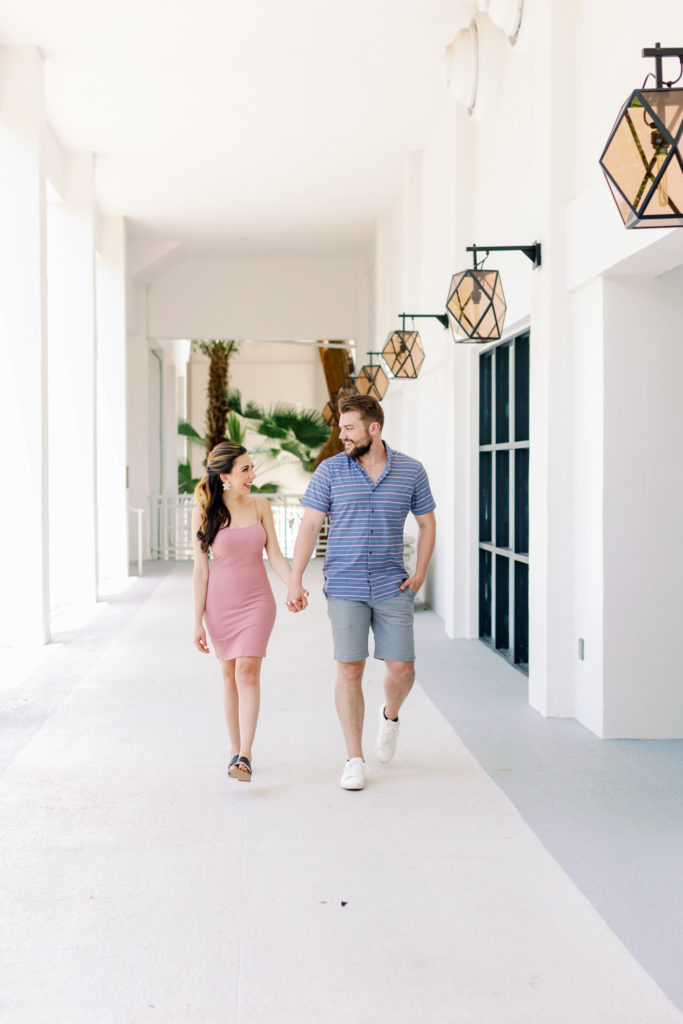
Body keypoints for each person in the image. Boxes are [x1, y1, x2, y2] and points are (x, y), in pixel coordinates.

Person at [287, 394, 436, 790]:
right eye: (341, 427)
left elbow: (426, 523)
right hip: (345, 586)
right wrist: (294, 578)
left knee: (402, 669)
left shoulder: (411, 472)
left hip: (392, 584)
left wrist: (419, 572)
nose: (342, 435)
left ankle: (390, 717)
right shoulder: (330, 471)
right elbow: (309, 526)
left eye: (349, 428)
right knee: (350, 669)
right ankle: (354, 759)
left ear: (374, 428)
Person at [192, 441, 296, 782]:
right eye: (246, 470)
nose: (253, 475)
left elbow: (276, 556)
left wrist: (293, 585)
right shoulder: (205, 510)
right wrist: (197, 621)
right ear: (225, 476)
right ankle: (234, 749)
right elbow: (200, 569)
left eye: (252, 467)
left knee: (247, 672)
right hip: (219, 605)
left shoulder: (260, 506)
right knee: (228, 675)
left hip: (257, 602)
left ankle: (246, 756)